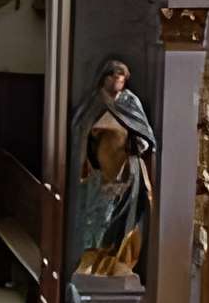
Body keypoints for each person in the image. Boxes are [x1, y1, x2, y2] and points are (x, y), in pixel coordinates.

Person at [66, 57, 156, 278]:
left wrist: (131, 141)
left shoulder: (130, 102)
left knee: (126, 216)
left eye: (122, 77)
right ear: (104, 78)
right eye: (114, 76)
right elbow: (79, 130)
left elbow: (145, 136)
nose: (118, 80)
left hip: (126, 170)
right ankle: (91, 262)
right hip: (98, 170)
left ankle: (119, 262)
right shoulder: (94, 102)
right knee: (97, 217)